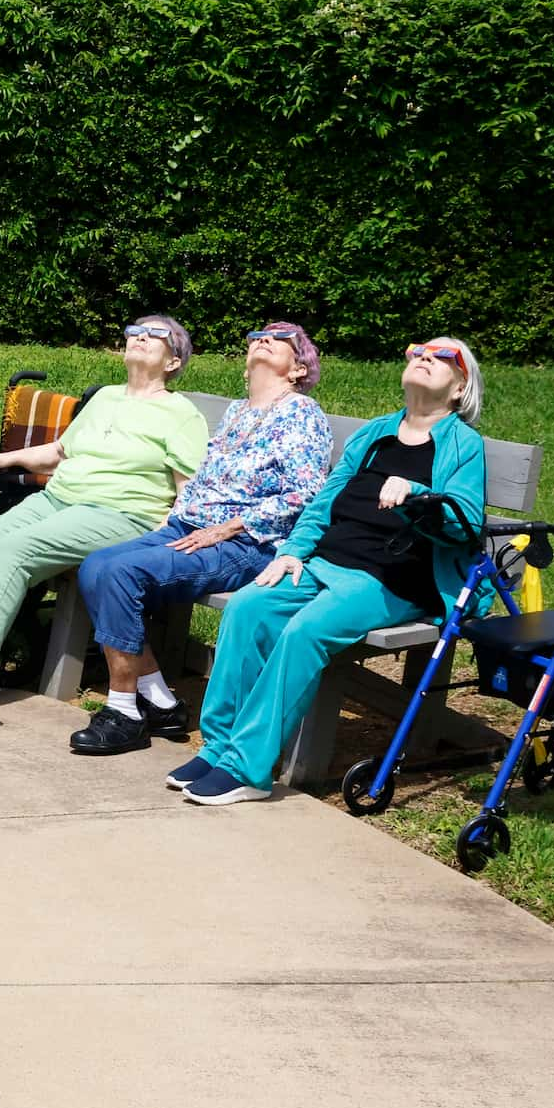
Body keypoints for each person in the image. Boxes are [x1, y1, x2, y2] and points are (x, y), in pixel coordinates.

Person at [175, 336, 490, 805]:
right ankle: (219, 746)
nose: (425, 357)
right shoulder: (374, 433)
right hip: (326, 562)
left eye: (443, 357)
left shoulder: (463, 445)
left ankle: (248, 768)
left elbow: (466, 522)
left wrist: (418, 494)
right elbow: (325, 501)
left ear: (460, 389)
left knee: (304, 633)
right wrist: (293, 552)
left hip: (391, 578)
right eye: (418, 352)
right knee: (248, 607)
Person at [0, 315, 208, 703]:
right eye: (135, 331)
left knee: (14, 551)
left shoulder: (181, 415)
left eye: (156, 335)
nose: (140, 337)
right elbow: (58, 454)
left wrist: (165, 538)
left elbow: (190, 490)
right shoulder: (105, 398)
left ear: (174, 362)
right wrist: (1, 460)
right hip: (59, 500)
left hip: (119, 513)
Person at [66, 322, 332, 756]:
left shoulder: (302, 413)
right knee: (96, 565)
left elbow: (306, 495)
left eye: (281, 339)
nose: (263, 339)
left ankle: (124, 712)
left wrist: (229, 528)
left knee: (121, 573)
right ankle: (160, 702)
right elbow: (200, 480)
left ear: (299, 368)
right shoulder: (237, 411)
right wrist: (174, 518)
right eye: (257, 336)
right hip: (191, 528)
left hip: (248, 545)